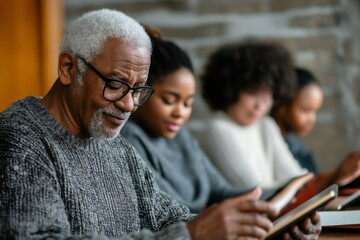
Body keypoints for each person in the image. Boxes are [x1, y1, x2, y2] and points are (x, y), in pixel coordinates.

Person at [0, 9, 302, 240]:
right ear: (68, 68)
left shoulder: (113, 145)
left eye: (138, 90)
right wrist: (192, 235)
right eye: (116, 84)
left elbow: (169, 217)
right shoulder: (20, 139)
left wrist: (263, 227)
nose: (128, 104)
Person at [122, 28, 321, 238]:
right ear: (140, 92)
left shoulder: (181, 136)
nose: (180, 113)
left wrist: (285, 198)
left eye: (188, 103)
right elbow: (167, 214)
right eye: (169, 101)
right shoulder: (130, 140)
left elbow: (221, 191)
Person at [198, 42, 360, 192]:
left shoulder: (266, 125)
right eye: (253, 93)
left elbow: (296, 178)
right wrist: (331, 177)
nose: (260, 105)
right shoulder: (218, 128)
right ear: (230, 89)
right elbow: (256, 192)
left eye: (267, 96)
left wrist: (338, 174)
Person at [271, 67, 360, 184]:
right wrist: (334, 175)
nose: (312, 119)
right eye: (306, 110)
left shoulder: (299, 149)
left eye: (315, 111)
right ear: (282, 106)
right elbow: (301, 191)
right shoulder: (266, 145)